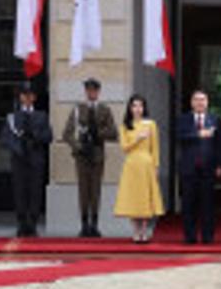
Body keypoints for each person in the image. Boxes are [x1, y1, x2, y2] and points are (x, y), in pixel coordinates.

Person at [63, 78, 119, 238]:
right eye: (88, 90)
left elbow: (114, 133)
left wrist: (98, 133)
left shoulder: (104, 110)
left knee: (95, 190)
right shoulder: (77, 110)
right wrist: (78, 146)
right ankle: (84, 224)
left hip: (97, 153)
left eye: (94, 90)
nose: (91, 93)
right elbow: (67, 133)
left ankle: (94, 224)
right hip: (82, 154)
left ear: (98, 92)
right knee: (83, 190)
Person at [3, 84, 51, 238]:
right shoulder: (13, 117)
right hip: (19, 158)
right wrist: (17, 148)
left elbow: (49, 136)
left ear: (34, 97)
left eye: (30, 95)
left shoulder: (41, 116)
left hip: (36, 158)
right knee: (20, 191)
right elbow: (5, 138)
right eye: (24, 95)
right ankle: (21, 222)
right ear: (20, 97)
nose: (27, 98)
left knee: (35, 191)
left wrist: (36, 137)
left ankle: (32, 223)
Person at [114, 96, 163, 243]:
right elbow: (124, 147)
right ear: (130, 108)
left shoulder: (151, 124)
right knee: (133, 197)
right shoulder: (125, 126)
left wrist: (156, 166)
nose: (137, 109)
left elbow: (155, 147)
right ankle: (135, 230)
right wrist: (137, 138)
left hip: (146, 163)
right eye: (134, 106)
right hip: (132, 164)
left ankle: (144, 230)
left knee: (145, 197)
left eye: (140, 106)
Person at [178, 90, 221, 245]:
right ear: (192, 103)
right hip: (188, 167)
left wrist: (219, 164)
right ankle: (190, 236)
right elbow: (179, 136)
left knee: (208, 204)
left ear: (207, 102)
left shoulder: (214, 119)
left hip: (208, 168)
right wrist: (198, 134)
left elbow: (218, 144)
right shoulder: (184, 119)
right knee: (188, 203)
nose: (200, 102)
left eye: (203, 100)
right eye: (197, 100)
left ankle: (207, 236)